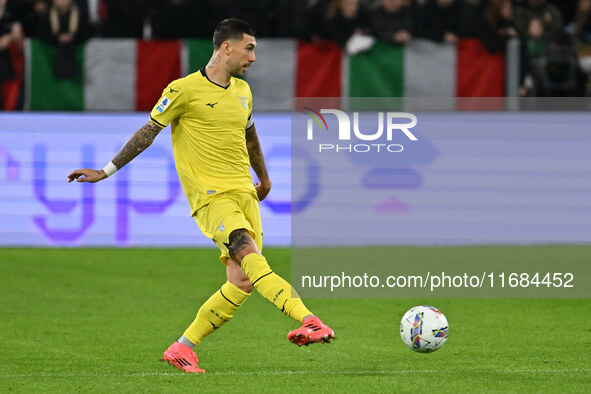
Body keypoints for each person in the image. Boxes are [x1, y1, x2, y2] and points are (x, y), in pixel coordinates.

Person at [67, 18, 335, 374]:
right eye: (249, 48)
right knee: (250, 254)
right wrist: (106, 170)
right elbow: (149, 132)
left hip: (244, 194)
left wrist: (264, 179)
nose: (253, 58)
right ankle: (309, 319)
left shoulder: (242, 91)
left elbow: (249, 136)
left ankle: (182, 347)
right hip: (212, 197)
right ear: (227, 47)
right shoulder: (182, 90)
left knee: (240, 283)